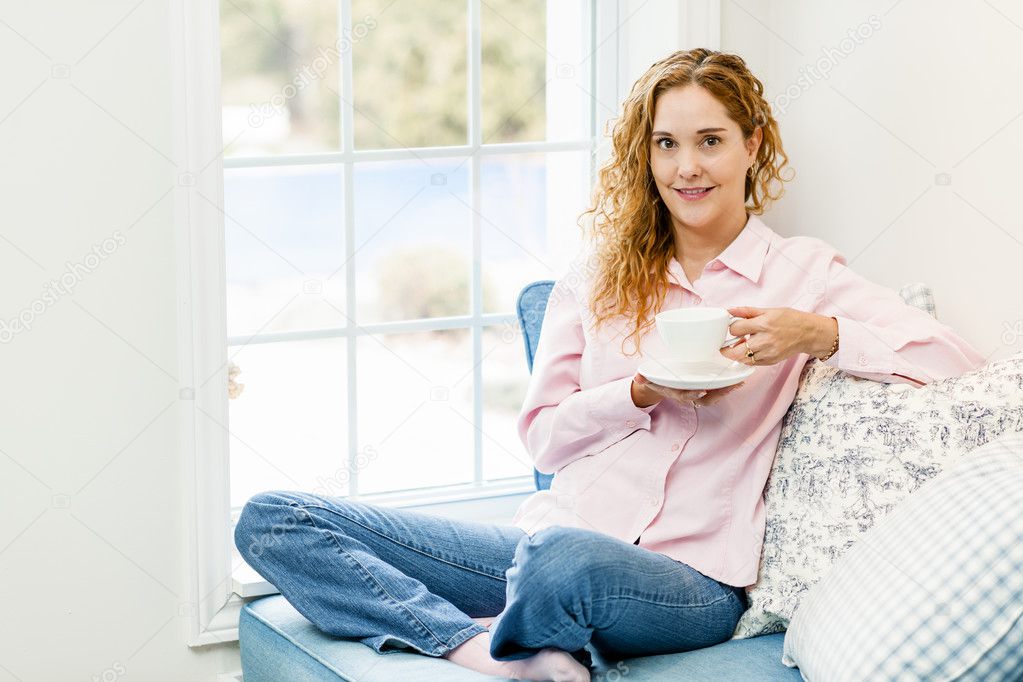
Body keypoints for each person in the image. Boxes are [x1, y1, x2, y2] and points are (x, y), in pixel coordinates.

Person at [234, 49, 986, 682]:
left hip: (689, 580)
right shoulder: (597, 277)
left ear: (752, 145)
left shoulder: (804, 274)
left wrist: (815, 334)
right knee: (273, 520)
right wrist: (634, 391)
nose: (686, 167)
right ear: (645, 153)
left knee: (561, 564)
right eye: (665, 144)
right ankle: (484, 650)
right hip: (550, 537)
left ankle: (526, 619)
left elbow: (953, 361)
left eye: (709, 141)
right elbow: (543, 441)